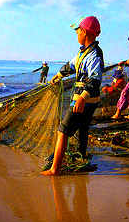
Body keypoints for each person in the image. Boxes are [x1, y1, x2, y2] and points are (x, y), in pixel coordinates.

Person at [41, 16, 104, 176]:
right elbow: (71, 66)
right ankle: (81, 157)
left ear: (84, 32)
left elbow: (95, 79)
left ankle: (55, 169)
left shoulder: (95, 54)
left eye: (77, 32)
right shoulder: (84, 52)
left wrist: (82, 97)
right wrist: (57, 76)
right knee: (82, 129)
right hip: (87, 100)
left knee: (63, 131)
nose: (77, 35)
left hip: (84, 100)